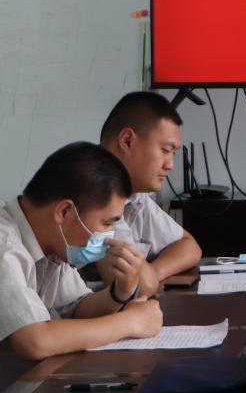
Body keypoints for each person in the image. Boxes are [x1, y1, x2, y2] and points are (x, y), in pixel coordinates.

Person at [0, 142, 163, 360]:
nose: (110, 235)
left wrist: (119, 292)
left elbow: (78, 308)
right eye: (106, 223)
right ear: (65, 211)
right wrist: (130, 322)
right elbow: (34, 341)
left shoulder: (53, 244)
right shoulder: (4, 243)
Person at [99, 91, 202, 296]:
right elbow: (137, 286)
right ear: (127, 141)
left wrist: (154, 273)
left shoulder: (135, 197)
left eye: (173, 153)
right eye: (165, 150)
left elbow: (190, 247)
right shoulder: (94, 194)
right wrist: (147, 279)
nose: (170, 165)